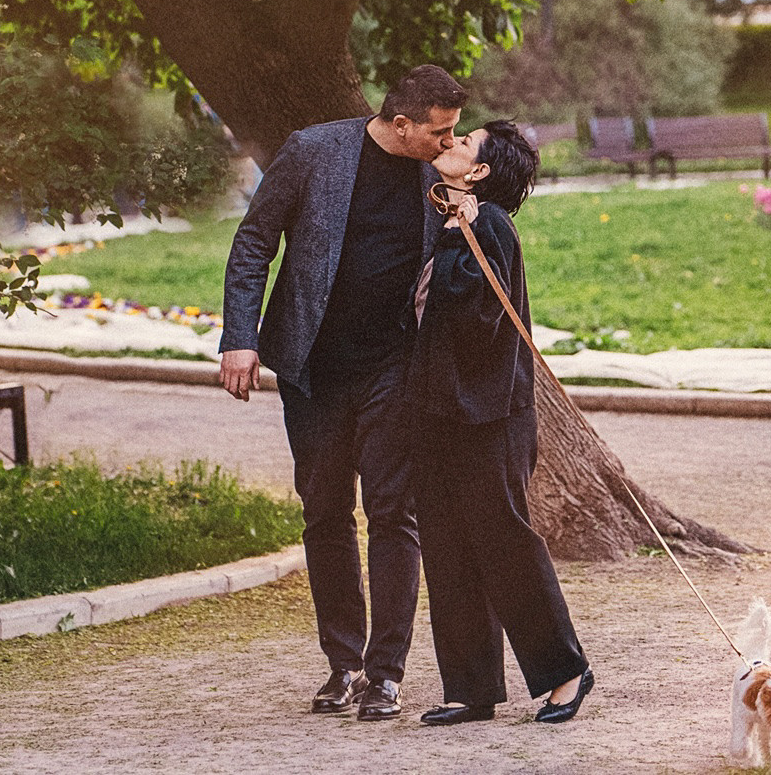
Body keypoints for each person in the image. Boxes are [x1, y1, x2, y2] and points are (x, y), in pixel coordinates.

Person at [218, 65, 467, 721]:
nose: (451, 142)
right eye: (440, 131)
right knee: (325, 513)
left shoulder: (438, 174)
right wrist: (238, 337)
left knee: (393, 513)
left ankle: (386, 674)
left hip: (395, 367)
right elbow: (252, 245)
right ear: (402, 123)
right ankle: (345, 664)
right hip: (313, 368)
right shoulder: (312, 152)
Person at [409, 120, 594, 726]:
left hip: (488, 414)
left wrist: (451, 234)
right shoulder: (450, 218)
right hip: (439, 409)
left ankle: (565, 671)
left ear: (481, 172)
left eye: (465, 143)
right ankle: (471, 687)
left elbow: (473, 315)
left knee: (504, 541)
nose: (451, 144)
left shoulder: (485, 224)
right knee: (446, 542)